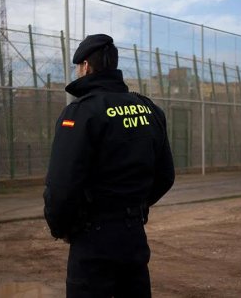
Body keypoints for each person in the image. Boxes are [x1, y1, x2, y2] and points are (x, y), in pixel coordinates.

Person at [43, 34, 175, 297]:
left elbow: (62, 186)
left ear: (85, 67)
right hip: (133, 236)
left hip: (94, 240)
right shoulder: (149, 109)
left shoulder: (82, 112)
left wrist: (62, 228)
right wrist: (134, 207)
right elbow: (166, 175)